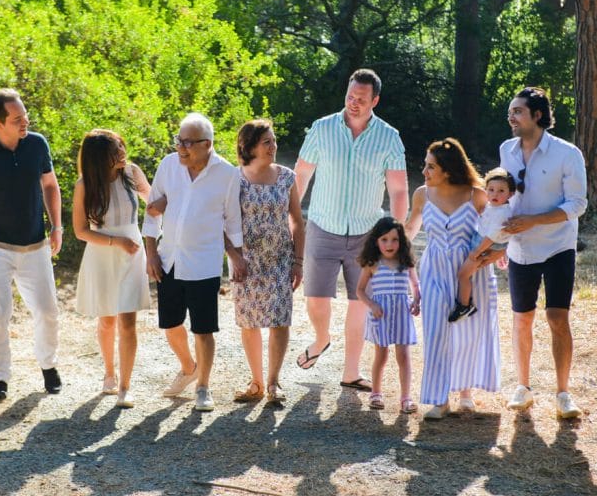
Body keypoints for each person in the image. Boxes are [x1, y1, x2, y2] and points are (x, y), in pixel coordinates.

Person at [293, 69, 409, 391]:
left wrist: (396, 234)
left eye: (361, 99)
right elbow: (300, 176)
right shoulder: (322, 128)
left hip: (365, 233)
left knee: (359, 303)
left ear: (375, 100)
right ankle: (321, 339)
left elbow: (398, 190)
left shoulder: (389, 137)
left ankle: (350, 372)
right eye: (350, 96)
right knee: (316, 299)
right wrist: (291, 219)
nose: (353, 103)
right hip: (322, 226)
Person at [0, 88, 64, 400]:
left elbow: (50, 185)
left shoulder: (37, 144)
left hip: (35, 243)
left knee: (47, 311)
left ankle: (48, 366)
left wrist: (56, 226)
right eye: (17, 119)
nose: (24, 122)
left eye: (25, 116)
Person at [142, 112, 246, 412]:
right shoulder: (168, 165)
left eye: (188, 143)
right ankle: (189, 368)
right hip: (169, 258)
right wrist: (151, 253)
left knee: (203, 328)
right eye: (179, 140)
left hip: (204, 262)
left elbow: (232, 222)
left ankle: (203, 386)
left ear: (207, 144)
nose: (181, 148)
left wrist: (236, 258)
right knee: (171, 324)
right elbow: (152, 212)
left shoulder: (227, 174)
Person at [499, 87, 587, 419]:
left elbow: (577, 204)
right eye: (510, 112)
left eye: (518, 111)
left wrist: (533, 221)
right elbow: (501, 197)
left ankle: (563, 393)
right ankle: (523, 387)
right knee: (522, 319)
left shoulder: (567, 154)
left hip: (558, 246)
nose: (511, 117)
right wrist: (495, 241)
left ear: (538, 115)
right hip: (520, 249)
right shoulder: (506, 150)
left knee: (557, 318)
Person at [404, 139, 501, 419]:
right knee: (436, 331)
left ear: (447, 170)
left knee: (468, 332)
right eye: (425, 165)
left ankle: (466, 392)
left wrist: (492, 257)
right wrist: (392, 253)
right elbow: (410, 228)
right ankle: (439, 398)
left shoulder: (476, 195)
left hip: (470, 272)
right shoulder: (422, 194)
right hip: (434, 267)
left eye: (430, 166)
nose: (424, 171)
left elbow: (497, 230)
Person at [72, 129, 153, 408]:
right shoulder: (85, 184)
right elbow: (81, 231)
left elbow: (153, 203)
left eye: (121, 146)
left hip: (132, 254)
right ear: (99, 158)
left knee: (128, 322)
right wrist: (114, 241)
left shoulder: (131, 173)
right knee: (107, 320)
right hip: (103, 254)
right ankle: (109, 372)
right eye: (115, 151)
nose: (122, 153)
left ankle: (125, 387)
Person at [229, 119, 306, 405]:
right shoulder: (234, 179)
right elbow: (223, 222)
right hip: (246, 261)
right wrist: (234, 256)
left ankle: (274, 383)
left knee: (279, 320)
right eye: (267, 142)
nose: (273, 147)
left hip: (280, 258)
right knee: (248, 321)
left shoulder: (287, 177)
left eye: (273, 141)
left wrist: (298, 262)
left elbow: (297, 221)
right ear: (249, 146)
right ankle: (256, 382)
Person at [355, 217, 420, 413]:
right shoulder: (373, 264)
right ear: (376, 241)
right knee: (381, 356)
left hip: (401, 313)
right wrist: (372, 304)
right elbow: (360, 290)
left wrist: (417, 299)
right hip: (380, 314)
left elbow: (416, 285)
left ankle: (406, 398)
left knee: (404, 356)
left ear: (401, 241)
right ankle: (376, 393)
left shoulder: (405, 262)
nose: (389, 244)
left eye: (394, 239)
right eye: (384, 239)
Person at [449, 168, 516, 321]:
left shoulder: (503, 213)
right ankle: (466, 301)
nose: (495, 194)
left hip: (486, 246)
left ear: (510, 194)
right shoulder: (494, 207)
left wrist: (476, 252)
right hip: (483, 241)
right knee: (468, 272)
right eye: (491, 190)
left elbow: (491, 237)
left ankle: (464, 306)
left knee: (463, 275)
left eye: (501, 191)